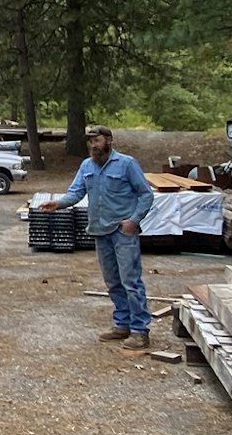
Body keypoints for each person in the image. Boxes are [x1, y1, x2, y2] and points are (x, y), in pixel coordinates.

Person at [39, 124, 156, 350]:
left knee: (131, 282)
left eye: (97, 140)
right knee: (112, 282)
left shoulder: (127, 164)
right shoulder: (86, 166)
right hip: (99, 231)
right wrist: (58, 203)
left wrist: (134, 221)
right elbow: (76, 192)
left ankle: (140, 331)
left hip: (122, 232)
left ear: (109, 140)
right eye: (91, 141)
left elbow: (145, 194)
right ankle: (122, 325)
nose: (93, 145)